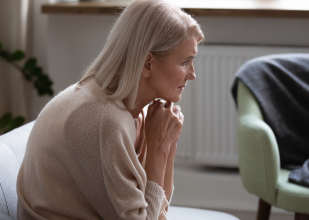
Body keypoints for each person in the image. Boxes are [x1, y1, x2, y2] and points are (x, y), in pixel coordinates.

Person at [16, 0, 204, 219]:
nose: (192, 74)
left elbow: (157, 210)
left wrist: (167, 143)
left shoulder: (136, 110)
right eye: (185, 62)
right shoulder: (104, 120)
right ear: (147, 63)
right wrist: (159, 150)